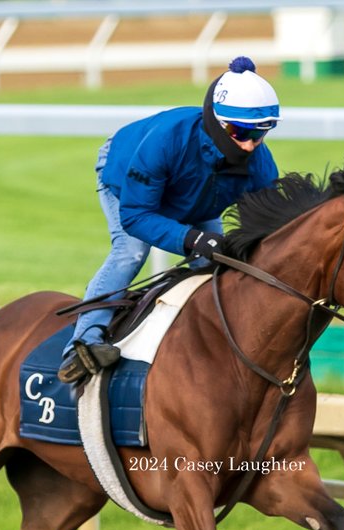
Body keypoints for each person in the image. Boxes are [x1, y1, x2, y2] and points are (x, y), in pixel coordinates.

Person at [57, 56, 282, 385]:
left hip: (197, 194)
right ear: (217, 122)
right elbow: (136, 216)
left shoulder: (260, 163)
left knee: (215, 265)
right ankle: (83, 343)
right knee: (131, 252)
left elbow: (270, 227)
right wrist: (192, 238)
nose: (250, 144)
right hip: (126, 179)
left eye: (261, 132)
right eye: (240, 132)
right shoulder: (166, 141)